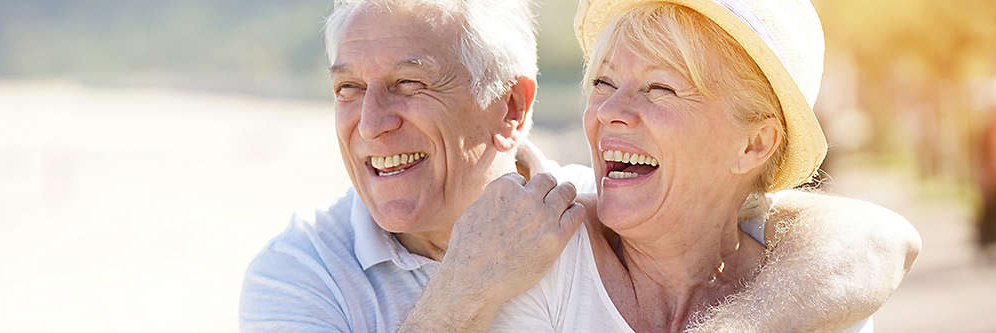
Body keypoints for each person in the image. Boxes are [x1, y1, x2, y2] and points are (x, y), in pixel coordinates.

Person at [240, 0, 922, 332]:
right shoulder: (299, 272)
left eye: (411, 85)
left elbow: (874, 235)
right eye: (346, 89)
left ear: (512, 107)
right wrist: (463, 291)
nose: (370, 121)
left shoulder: (575, 215)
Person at [489, 1, 918, 332]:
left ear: (753, 145)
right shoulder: (542, 259)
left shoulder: (819, 301)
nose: (610, 111)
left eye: (660, 88)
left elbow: (885, 237)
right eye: (604, 82)